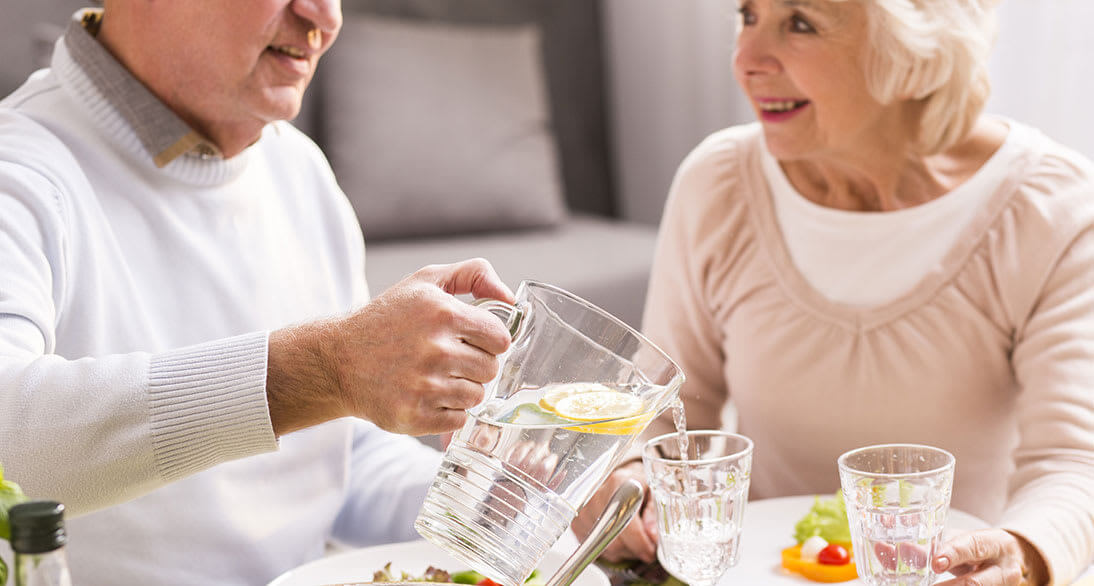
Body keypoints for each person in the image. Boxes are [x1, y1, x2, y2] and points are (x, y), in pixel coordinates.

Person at [574, 1, 1094, 584]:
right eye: (747, 15)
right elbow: (667, 415)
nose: (745, 60)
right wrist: (634, 477)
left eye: (801, 23)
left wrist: (1021, 556)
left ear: (914, 50)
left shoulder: (1051, 207)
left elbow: (1074, 461)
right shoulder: (717, 183)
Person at [0, 0, 516, 583]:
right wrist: (325, 370)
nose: (324, 16)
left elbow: (333, 463)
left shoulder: (300, 171)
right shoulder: (18, 171)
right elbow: (6, 440)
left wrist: (507, 508)